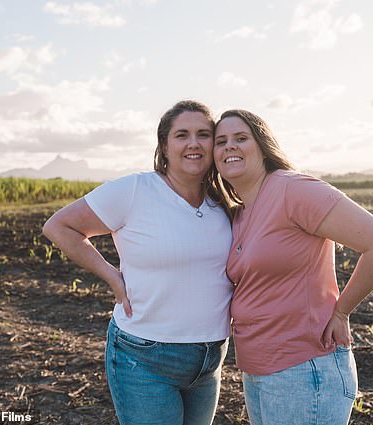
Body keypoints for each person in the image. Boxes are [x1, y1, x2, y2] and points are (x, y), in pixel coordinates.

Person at [42, 100, 234, 425]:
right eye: (182, 135)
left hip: (210, 358)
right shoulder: (134, 190)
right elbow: (59, 226)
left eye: (204, 134)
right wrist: (112, 277)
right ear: (164, 144)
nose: (193, 143)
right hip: (145, 357)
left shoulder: (224, 201)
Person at [211, 109, 373, 425]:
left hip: (304, 367)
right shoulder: (240, 212)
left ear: (262, 146)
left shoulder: (293, 189)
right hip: (258, 370)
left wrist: (342, 312)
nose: (229, 146)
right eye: (221, 141)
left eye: (241, 138)